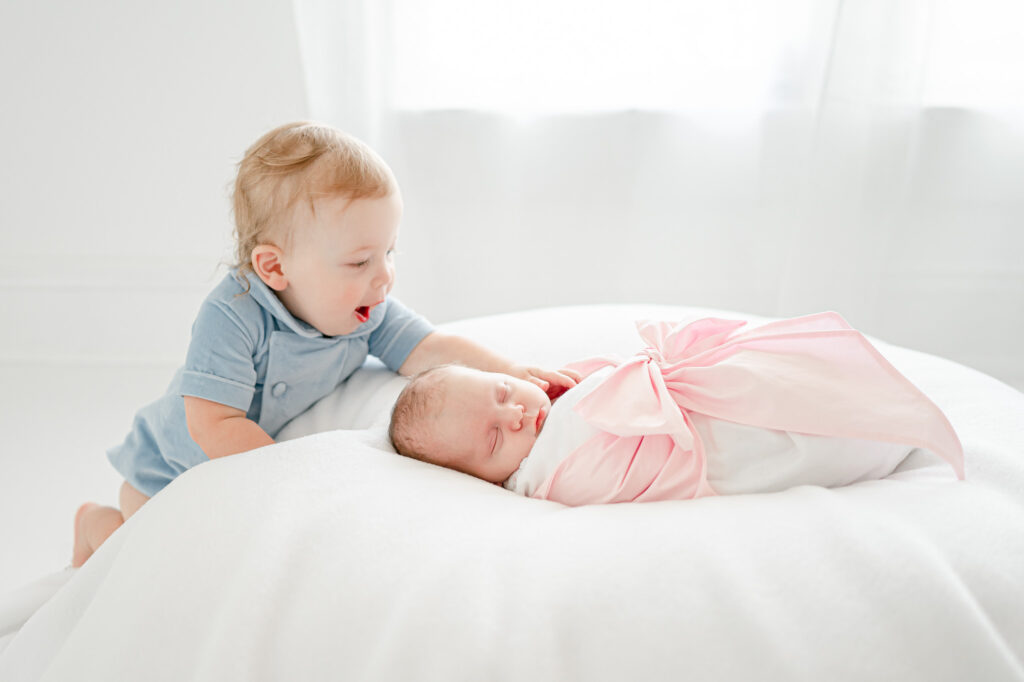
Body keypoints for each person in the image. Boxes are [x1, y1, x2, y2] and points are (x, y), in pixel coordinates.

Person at [71, 121, 579, 566]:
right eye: (360, 262)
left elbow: (428, 347)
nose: (384, 277)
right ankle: (93, 521)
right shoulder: (233, 315)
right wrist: (292, 480)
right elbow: (213, 423)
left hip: (223, 466)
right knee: (135, 551)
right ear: (275, 268)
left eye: (390, 251)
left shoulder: (362, 311)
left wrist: (512, 370)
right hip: (168, 469)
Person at [389, 313, 966, 506]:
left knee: (764, 376)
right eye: (494, 439)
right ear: (485, 478)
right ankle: (865, 431)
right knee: (771, 436)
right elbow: (606, 452)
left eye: (502, 393)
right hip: (692, 445)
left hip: (685, 395)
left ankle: (856, 400)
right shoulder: (545, 474)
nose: (516, 415)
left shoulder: (554, 389)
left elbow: (602, 380)